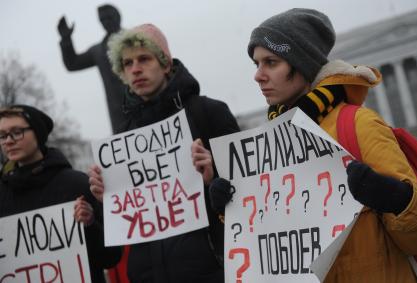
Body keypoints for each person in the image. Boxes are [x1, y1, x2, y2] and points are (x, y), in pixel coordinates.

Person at [209, 8, 417, 283]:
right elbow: (274, 242)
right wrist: (230, 209)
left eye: (271, 62)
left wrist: (398, 200)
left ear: (302, 64)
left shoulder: (359, 125)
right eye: (257, 64)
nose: (259, 75)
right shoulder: (269, 144)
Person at [88, 23, 240, 283]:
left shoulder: (209, 113)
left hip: (214, 270)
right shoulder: (122, 138)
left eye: (144, 59)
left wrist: (214, 179)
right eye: (127, 63)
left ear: (166, 64)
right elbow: (126, 225)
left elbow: (250, 195)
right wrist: (107, 199)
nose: (135, 69)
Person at [0, 105, 121, 283]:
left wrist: (89, 225)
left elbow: (111, 257)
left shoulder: (77, 184)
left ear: (38, 134)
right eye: (2, 135)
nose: (8, 141)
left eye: (17, 132)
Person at [57, 4, 127, 134]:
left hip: (147, 105)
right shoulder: (98, 51)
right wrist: (66, 40)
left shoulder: (136, 39)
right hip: (118, 114)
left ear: (118, 17)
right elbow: (72, 63)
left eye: (109, 17)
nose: (106, 22)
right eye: (102, 20)